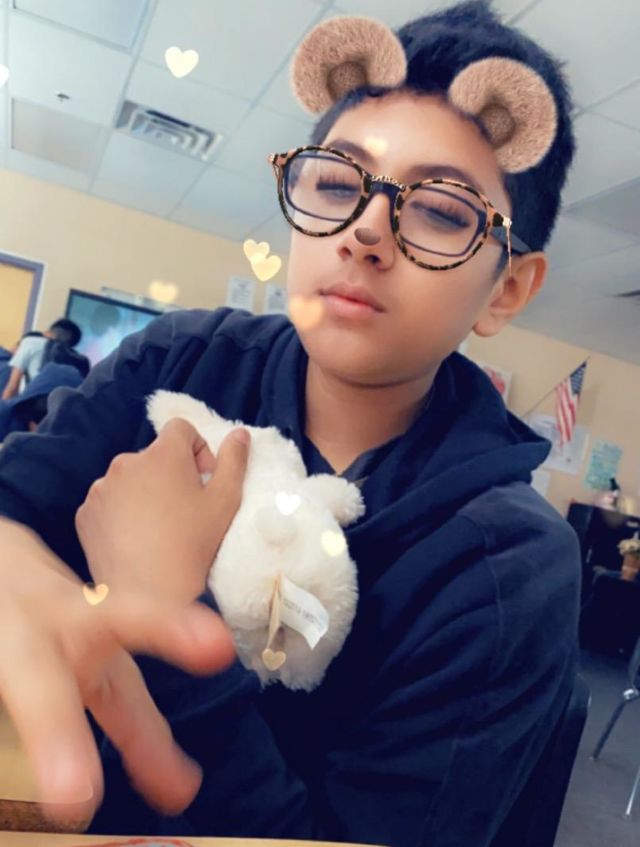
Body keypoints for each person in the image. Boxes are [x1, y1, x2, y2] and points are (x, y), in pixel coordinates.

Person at [0, 2, 582, 845]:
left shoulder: (507, 565)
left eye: (443, 211)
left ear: (507, 289)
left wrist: (167, 604)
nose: (366, 230)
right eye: (338, 183)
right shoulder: (179, 359)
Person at [1, 317, 87, 400]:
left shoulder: (31, 342)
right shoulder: (77, 360)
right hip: (58, 406)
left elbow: (13, 386)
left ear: (47, 333)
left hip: (32, 402)